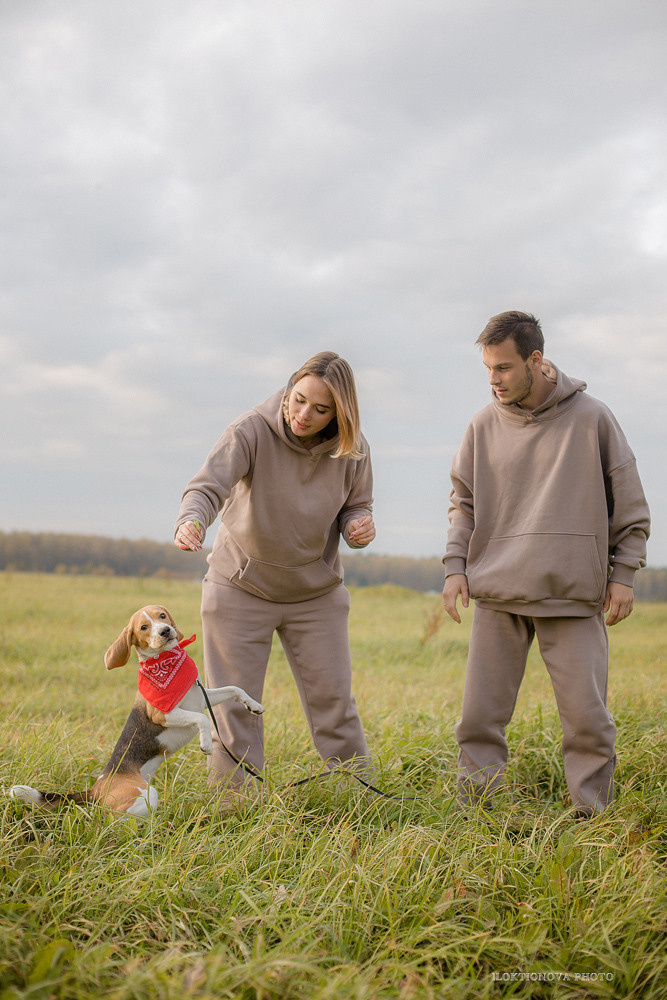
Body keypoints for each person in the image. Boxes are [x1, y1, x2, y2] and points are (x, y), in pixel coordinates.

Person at [442, 312, 650, 817]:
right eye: (488, 368)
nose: (494, 379)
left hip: (572, 594)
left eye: (505, 368)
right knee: (479, 719)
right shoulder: (482, 424)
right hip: (498, 592)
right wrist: (455, 567)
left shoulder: (592, 418)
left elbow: (631, 508)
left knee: (586, 720)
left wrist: (623, 575)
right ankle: (477, 814)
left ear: (536, 360)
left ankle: (591, 817)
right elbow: (463, 501)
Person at [174, 351, 375, 800]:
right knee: (236, 706)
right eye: (298, 399)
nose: (304, 414)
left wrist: (359, 525)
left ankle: (356, 796)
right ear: (289, 390)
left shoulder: (354, 449)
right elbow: (206, 488)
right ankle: (235, 806)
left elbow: (357, 505)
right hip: (239, 586)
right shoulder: (249, 430)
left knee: (334, 703)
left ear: (339, 414)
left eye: (320, 409)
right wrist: (191, 521)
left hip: (315, 594)